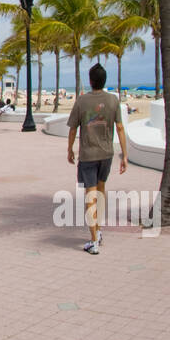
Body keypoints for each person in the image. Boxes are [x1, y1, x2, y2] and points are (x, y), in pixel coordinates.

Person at [67, 63, 128, 255]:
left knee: (90, 197)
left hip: (88, 156)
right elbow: (119, 128)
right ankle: (98, 232)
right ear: (104, 80)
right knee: (100, 194)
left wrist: (69, 149)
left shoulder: (82, 101)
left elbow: (73, 128)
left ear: (91, 80)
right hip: (107, 154)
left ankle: (93, 241)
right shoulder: (113, 101)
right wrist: (125, 155)